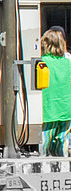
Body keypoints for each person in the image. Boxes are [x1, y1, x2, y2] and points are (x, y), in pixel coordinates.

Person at [39, 28, 70, 157]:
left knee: (46, 139)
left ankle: (43, 164)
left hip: (49, 109)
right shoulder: (68, 62)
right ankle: (63, 167)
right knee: (63, 139)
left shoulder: (42, 62)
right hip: (67, 107)